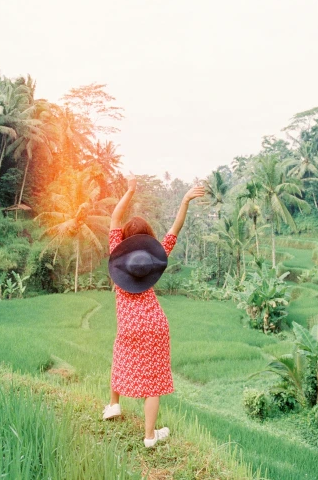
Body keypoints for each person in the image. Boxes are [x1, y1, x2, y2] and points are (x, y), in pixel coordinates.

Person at [103, 174, 205, 448]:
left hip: (128, 326)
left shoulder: (117, 256)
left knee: (120, 354)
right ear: (148, 240)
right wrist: (184, 201)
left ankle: (114, 404)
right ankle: (149, 436)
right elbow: (174, 230)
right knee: (153, 381)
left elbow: (114, 219)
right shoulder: (154, 258)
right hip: (155, 324)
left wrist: (130, 191)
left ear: (123, 240)